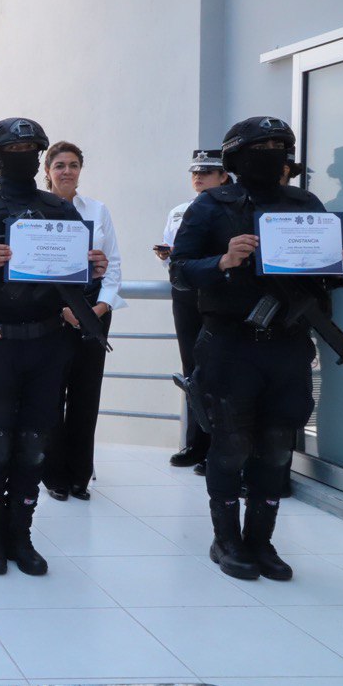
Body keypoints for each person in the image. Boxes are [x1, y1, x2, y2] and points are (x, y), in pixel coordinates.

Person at [170, 116, 343, 582]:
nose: (271, 152)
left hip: (287, 347)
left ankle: (261, 541)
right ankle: (226, 539)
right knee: (230, 446)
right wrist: (224, 260)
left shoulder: (304, 203)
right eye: (261, 146)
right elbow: (181, 270)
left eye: (279, 145)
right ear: (236, 155)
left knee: (276, 448)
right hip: (230, 345)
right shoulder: (212, 205)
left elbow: (317, 278)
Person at [0, 118, 109, 577]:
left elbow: (82, 287)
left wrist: (93, 270)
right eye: (13, 150)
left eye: (31, 150)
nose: (24, 158)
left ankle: (22, 534)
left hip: (48, 343)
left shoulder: (58, 208)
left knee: (34, 444)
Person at [39, 141, 127, 501]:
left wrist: (100, 308)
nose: (67, 171)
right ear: (47, 171)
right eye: (59, 165)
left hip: (95, 314)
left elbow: (114, 263)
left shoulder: (98, 209)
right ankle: (54, 475)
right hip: (52, 313)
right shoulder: (37, 210)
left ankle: (80, 476)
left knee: (86, 396)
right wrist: (62, 310)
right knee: (51, 394)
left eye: (73, 165)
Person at [157, 149, 229, 474]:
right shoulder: (179, 211)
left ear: (224, 176)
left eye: (207, 172)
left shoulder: (232, 210)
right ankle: (196, 444)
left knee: (219, 368)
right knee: (191, 369)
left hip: (218, 291)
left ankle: (219, 447)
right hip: (185, 292)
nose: (198, 178)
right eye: (195, 172)